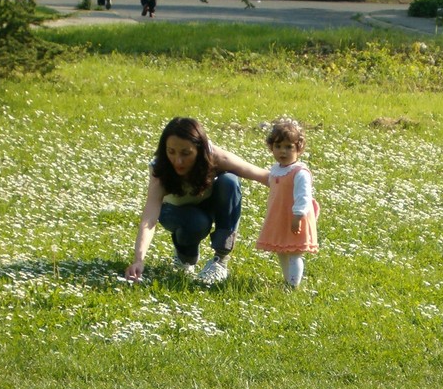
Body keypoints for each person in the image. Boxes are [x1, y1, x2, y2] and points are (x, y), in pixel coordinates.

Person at [125, 117, 269, 285]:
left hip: (207, 205)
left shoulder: (214, 156)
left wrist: (293, 191)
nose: (178, 160)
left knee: (230, 181)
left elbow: (264, 176)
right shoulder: (160, 169)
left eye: (186, 153)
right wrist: (139, 260)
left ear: (200, 149)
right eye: (171, 151)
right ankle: (184, 256)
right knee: (197, 222)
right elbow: (149, 220)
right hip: (173, 212)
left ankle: (220, 262)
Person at [255, 119, 319, 288]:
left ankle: (293, 285)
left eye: (289, 147)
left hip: (295, 218)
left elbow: (303, 196)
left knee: (295, 252)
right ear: (271, 147)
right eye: (278, 146)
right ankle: (287, 279)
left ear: (299, 148)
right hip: (280, 217)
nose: (282, 151)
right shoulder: (276, 169)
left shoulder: (299, 172)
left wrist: (298, 216)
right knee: (281, 250)